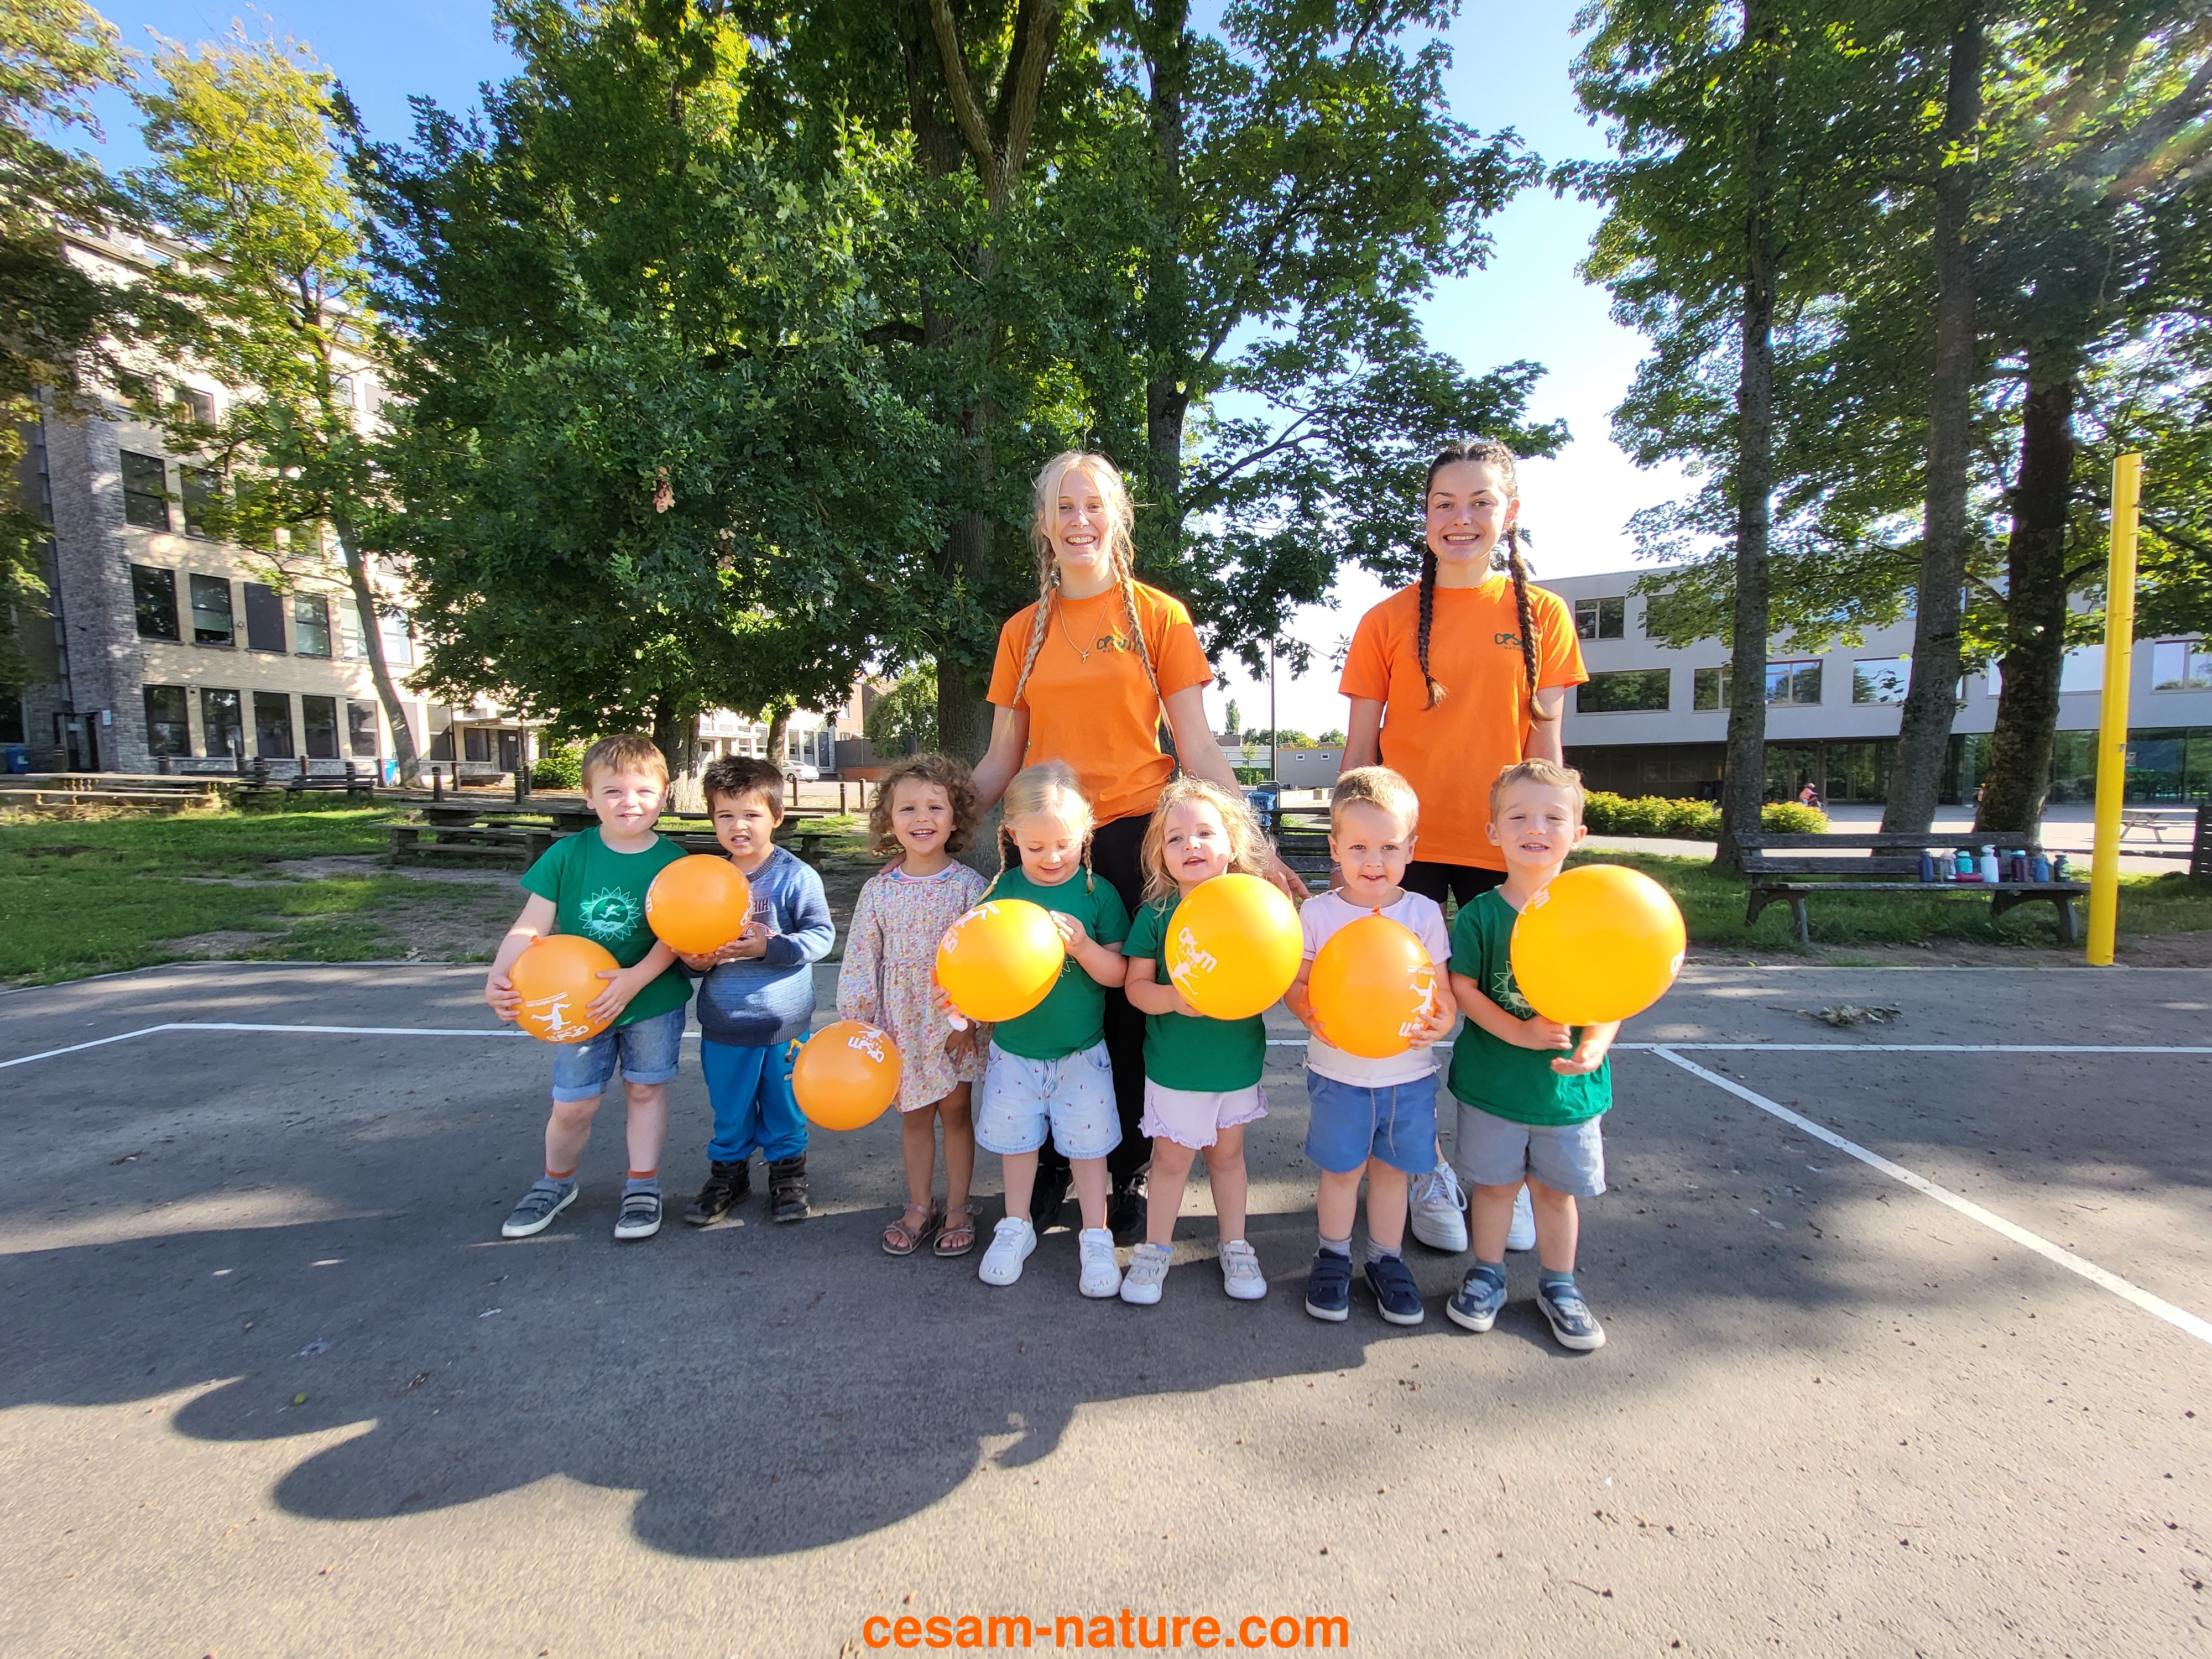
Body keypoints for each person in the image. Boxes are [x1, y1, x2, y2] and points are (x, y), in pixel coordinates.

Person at [969, 450, 1308, 1244]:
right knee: (1042, 1000)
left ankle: (1121, 1166)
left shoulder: (1159, 617)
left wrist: (1255, 846)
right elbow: (1000, 759)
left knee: (1125, 1009)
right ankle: (1050, 1162)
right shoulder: (1021, 632)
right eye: (1064, 506)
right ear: (1043, 523)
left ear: (1117, 518)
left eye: (1094, 505)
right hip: (1049, 839)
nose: (1079, 520)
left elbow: (1198, 744)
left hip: (1132, 834)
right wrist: (933, 830)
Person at [1339, 437, 1584, 1257]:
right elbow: (1359, 750)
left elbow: (1546, 749)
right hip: (1403, 850)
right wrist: (1350, 846)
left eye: (1480, 501)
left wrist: (1548, 851)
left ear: (1509, 513)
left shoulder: (1544, 617)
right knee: (1407, 1009)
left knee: (1504, 1010)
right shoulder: (1385, 620)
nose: (1461, 518)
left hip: (1500, 852)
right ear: (1425, 517)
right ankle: (1426, 1171)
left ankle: (1498, 1179)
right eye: (1444, 503)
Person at [485, 733, 690, 1242]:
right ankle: (556, 1182)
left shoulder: (676, 863)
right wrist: (499, 975)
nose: (629, 802)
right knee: (574, 1103)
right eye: (613, 790)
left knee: (645, 1091)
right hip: (575, 1003)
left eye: (643, 791)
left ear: (664, 796)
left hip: (650, 1001)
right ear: (589, 796)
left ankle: (642, 1185)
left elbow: (677, 934)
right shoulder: (567, 854)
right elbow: (531, 926)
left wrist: (636, 978)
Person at [1443, 760, 1619, 1352]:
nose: (1535, 828)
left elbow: (1614, 993)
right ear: (1493, 833)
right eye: (1518, 817)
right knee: (1494, 1189)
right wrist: (1518, 1034)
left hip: (1566, 1094)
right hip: (1494, 1087)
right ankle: (1486, 1273)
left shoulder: (1593, 913)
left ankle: (1559, 1285)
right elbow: (1464, 989)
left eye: (1553, 817)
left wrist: (1595, 1044)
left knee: (1554, 1194)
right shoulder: (1480, 915)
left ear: (1578, 834)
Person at [1283, 767, 1457, 1326]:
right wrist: (1302, 1006)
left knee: (1391, 1173)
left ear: (1411, 849)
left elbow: (1442, 992)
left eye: (1389, 847)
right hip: (1339, 1076)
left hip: (1409, 1077)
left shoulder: (1422, 914)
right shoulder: (1317, 914)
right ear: (1335, 849)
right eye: (1358, 847)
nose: (1374, 861)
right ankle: (1333, 1255)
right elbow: (1296, 983)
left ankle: (1386, 1259)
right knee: (1341, 1172)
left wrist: (1443, 1020)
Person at [962, 762, 1133, 1296]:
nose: (1052, 857)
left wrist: (1082, 947)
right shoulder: (1000, 892)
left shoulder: (1098, 894)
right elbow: (975, 970)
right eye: (1036, 847)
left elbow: (1120, 974)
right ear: (1012, 836)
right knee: (1017, 1147)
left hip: (1082, 1054)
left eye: (1064, 844)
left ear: (1086, 834)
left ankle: (1096, 1234)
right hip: (1014, 1050)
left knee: (1089, 1149)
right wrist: (960, 1006)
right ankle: (1015, 1226)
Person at [1117, 776, 1276, 1307]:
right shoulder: (1156, 916)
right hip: (1176, 1067)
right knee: (1170, 1161)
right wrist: (1171, 999)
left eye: (1205, 833)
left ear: (1232, 843)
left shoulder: (1256, 911)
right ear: (1161, 853)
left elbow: (1276, 973)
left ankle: (1235, 1245)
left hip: (1235, 1063)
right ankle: (1155, 1249)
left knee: (1228, 1158)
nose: (1191, 845)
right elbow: (1135, 988)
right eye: (1176, 838)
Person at [836, 753, 990, 1258]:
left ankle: (960, 1206)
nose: (922, 818)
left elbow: (984, 962)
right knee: (916, 1116)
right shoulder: (878, 891)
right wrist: (860, 1027)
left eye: (934, 807)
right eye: (907, 808)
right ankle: (920, 1204)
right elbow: (862, 959)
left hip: (951, 1022)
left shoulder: (970, 887)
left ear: (955, 817)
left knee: (956, 1112)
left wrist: (971, 1022)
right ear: (889, 820)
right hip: (899, 1023)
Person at [677, 757, 836, 1227]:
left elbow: (821, 938)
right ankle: (728, 1176)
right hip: (726, 1023)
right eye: (725, 815)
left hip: (784, 1024)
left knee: (786, 1108)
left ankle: (788, 1176)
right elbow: (686, 942)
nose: (738, 826)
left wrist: (768, 946)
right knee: (730, 1111)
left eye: (751, 814)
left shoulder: (794, 876)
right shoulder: (704, 880)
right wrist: (695, 961)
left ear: (777, 816)